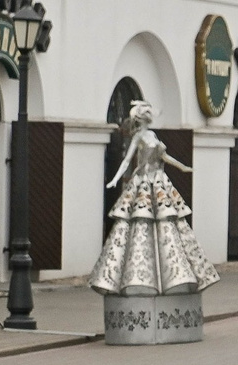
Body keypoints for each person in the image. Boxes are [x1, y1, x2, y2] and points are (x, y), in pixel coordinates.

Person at [92, 102, 218, 298]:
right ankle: (136, 275)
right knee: (141, 222)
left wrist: (182, 167)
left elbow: (165, 157)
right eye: (145, 115)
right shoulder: (139, 136)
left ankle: (172, 274)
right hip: (144, 181)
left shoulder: (152, 136)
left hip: (159, 181)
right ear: (140, 119)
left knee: (167, 224)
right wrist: (116, 179)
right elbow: (128, 159)